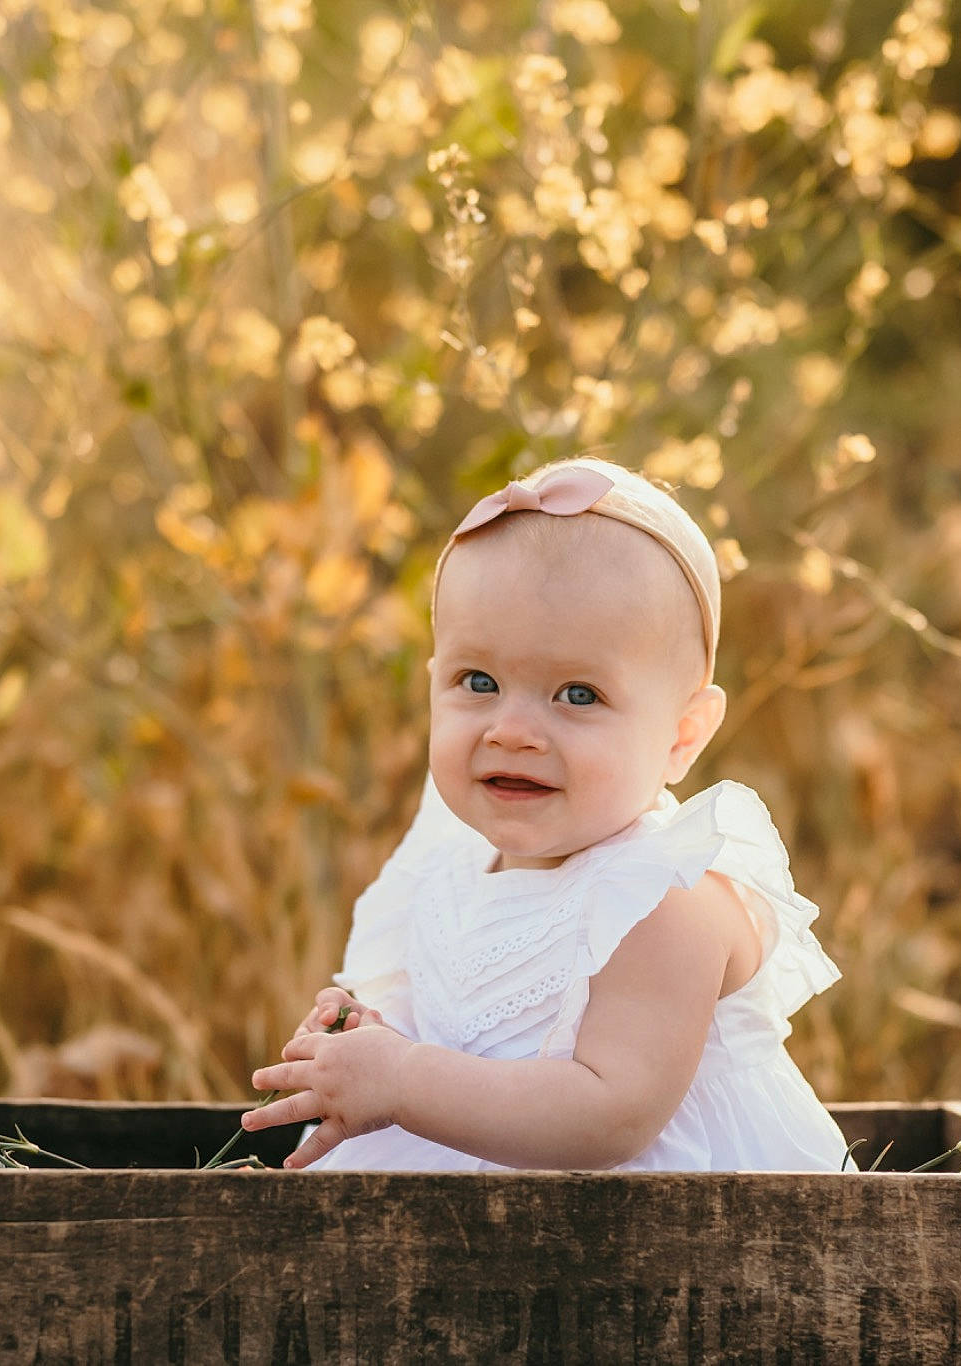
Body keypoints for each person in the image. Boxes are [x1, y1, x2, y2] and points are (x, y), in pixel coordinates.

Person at [240, 458, 848, 1171]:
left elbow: (607, 1116)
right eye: (479, 682)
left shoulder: (665, 898)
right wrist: (374, 1041)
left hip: (685, 1251)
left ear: (683, 734)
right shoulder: (450, 864)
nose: (512, 730)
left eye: (578, 695)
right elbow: (463, 1037)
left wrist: (403, 1079)